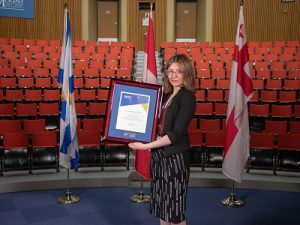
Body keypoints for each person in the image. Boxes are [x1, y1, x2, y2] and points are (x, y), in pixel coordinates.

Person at [129, 54, 196, 225]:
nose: (173, 75)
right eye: (170, 71)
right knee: (163, 207)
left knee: (175, 211)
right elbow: (153, 124)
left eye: (178, 72)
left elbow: (175, 135)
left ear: (186, 73)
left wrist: (145, 147)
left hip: (175, 159)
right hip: (159, 157)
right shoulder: (165, 95)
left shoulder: (187, 97)